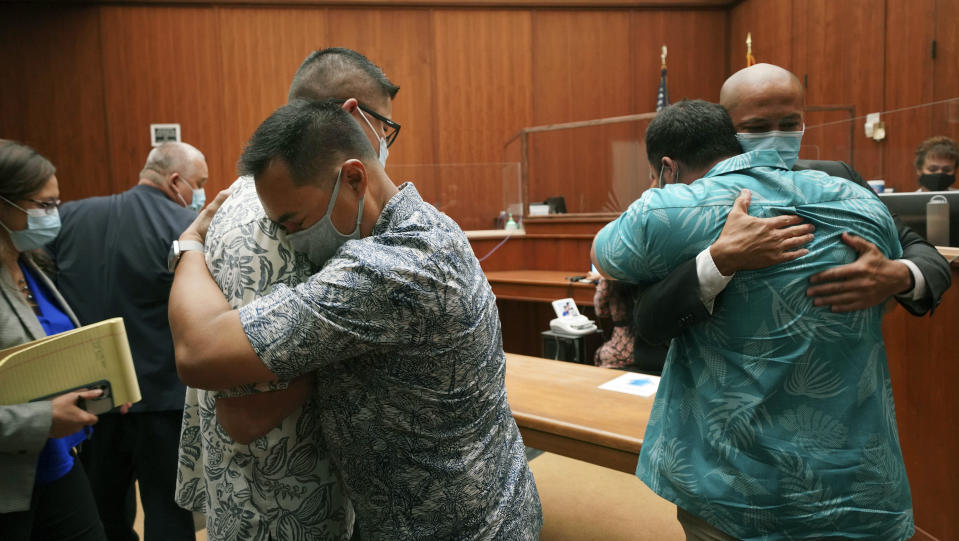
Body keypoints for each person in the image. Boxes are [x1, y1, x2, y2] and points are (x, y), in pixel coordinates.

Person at [168, 99, 542, 540]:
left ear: (353, 178)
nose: (290, 240)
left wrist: (190, 244)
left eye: (293, 223)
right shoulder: (426, 223)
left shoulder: (389, 271)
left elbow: (199, 351)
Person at [594, 99, 914, 539]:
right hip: (858, 479)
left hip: (733, 486)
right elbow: (893, 289)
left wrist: (660, 195)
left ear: (667, 168)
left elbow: (605, 257)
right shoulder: (862, 200)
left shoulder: (670, 211)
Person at [175, 47, 401, 540]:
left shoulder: (241, 194)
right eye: (383, 124)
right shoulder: (295, 224)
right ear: (347, 117)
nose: (386, 139)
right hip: (286, 500)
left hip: (244, 490)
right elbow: (244, 410)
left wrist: (189, 245)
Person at [634, 63, 952, 349]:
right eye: (757, 128)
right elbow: (648, 318)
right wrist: (717, 261)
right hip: (727, 393)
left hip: (833, 389)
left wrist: (900, 275)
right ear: (725, 131)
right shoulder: (691, 197)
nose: (775, 138)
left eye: (789, 124)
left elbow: (923, 253)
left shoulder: (839, 178)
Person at [47, 142, 207, 541]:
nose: (202, 192)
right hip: (162, 403)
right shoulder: (187, 228)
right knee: (168, 515)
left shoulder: (69, 217)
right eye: (200, 183)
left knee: (102, 515)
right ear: (176, 181)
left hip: (90, 400)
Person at [0, 139, 107, 540]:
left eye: (56, 203)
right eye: (42, 205)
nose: (53, 215)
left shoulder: (29, 264)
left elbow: (46, 353)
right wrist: (43, 419)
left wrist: (102, 379)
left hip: (59, 465)